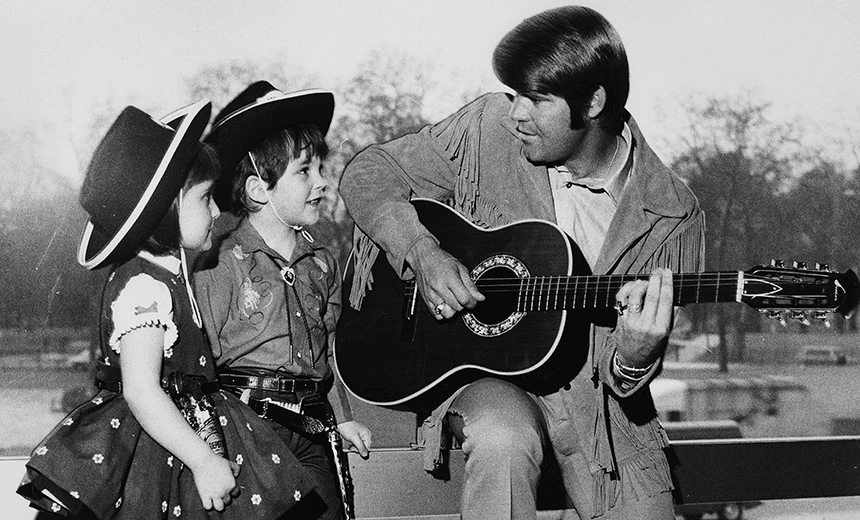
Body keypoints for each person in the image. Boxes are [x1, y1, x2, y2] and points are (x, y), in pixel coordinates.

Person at [339, 6, 704, 520]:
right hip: (490, 384)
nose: (515, 114)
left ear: (593, 101)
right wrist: (423, 253)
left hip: (602, 415)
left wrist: (636, 357)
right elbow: (370, 172)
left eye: (535, 99)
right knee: (503, 438)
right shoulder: (487, 129)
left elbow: (624, 377)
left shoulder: (671, 211)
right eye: (513, 94)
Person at [16, 101, 317, 519]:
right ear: (164, 212)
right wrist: (203, 460)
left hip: (191, 426)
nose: (216, 210)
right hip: (155, 446)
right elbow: (141, 390)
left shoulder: (172, 274)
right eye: (206, 198)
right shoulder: (144, 287)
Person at [194, 81, 372, 520]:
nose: (322, 183)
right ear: (258, 190)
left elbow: (328, 350)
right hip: (247, 429)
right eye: (305, 172)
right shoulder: (220, 265)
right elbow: (198, 370)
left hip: (312, 427)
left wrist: (340, 418)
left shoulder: (323, 264)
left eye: (320, 170)